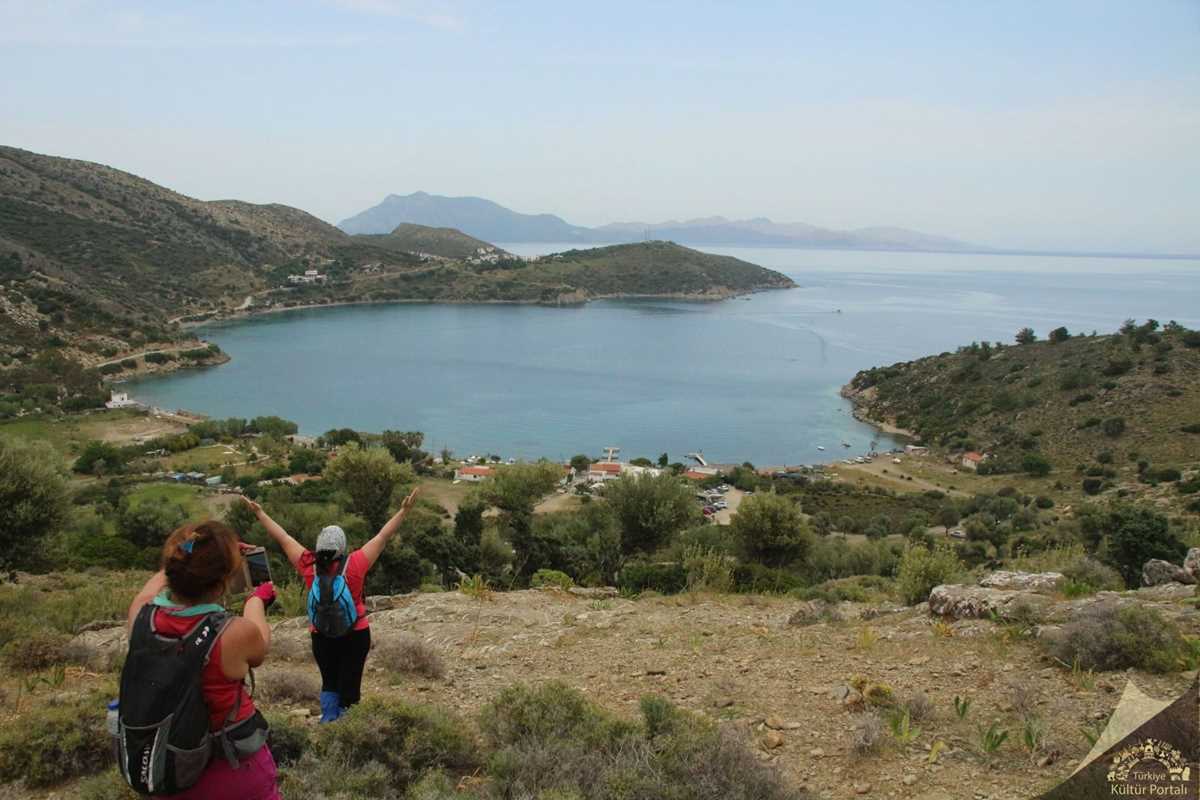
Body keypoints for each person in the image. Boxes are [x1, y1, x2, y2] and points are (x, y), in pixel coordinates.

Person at [123, 520, 280, 800]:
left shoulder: (141, 616)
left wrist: (189, 557)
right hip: (232, 771)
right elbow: (261, 645)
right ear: (221, 584)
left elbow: (150, 589)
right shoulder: (233, 634)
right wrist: (257, 599)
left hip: (171, 771)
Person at [243, 488, 418, 722]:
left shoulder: (308, 564)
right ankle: (347, 726)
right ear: (342, 547)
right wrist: (403, 511)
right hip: (355, 632)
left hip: (321, 633)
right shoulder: (356, 562)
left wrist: (260, 513)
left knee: (329, 680)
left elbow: (283, 537)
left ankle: (329, 720)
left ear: (319, 545)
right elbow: (383, 536)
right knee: (350, 681)